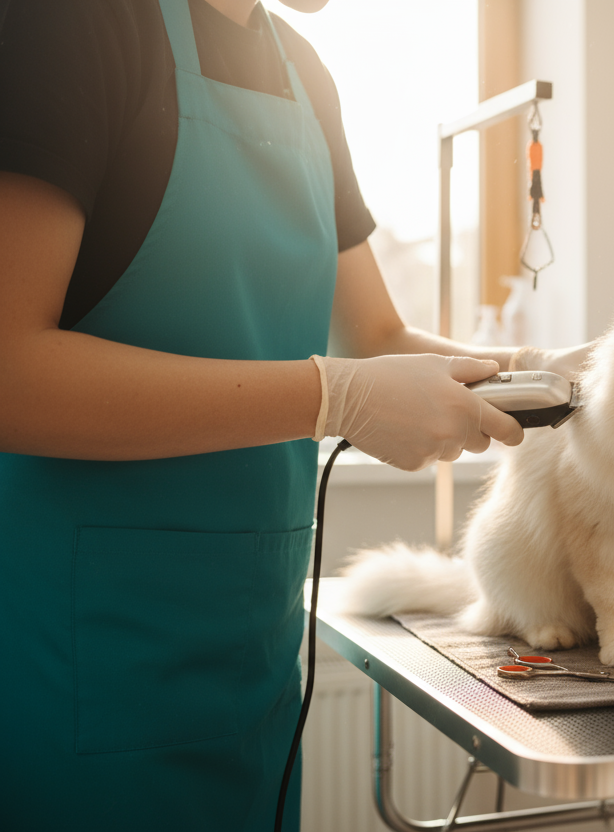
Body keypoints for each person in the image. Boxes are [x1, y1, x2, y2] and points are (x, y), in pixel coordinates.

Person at [0, 1, 583, 828]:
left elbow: (375, 332)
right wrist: (331, 398)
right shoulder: (74, 24)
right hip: (80, 656)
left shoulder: (305, 75)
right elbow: (10, 371)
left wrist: (535, 371)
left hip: (251, 657)